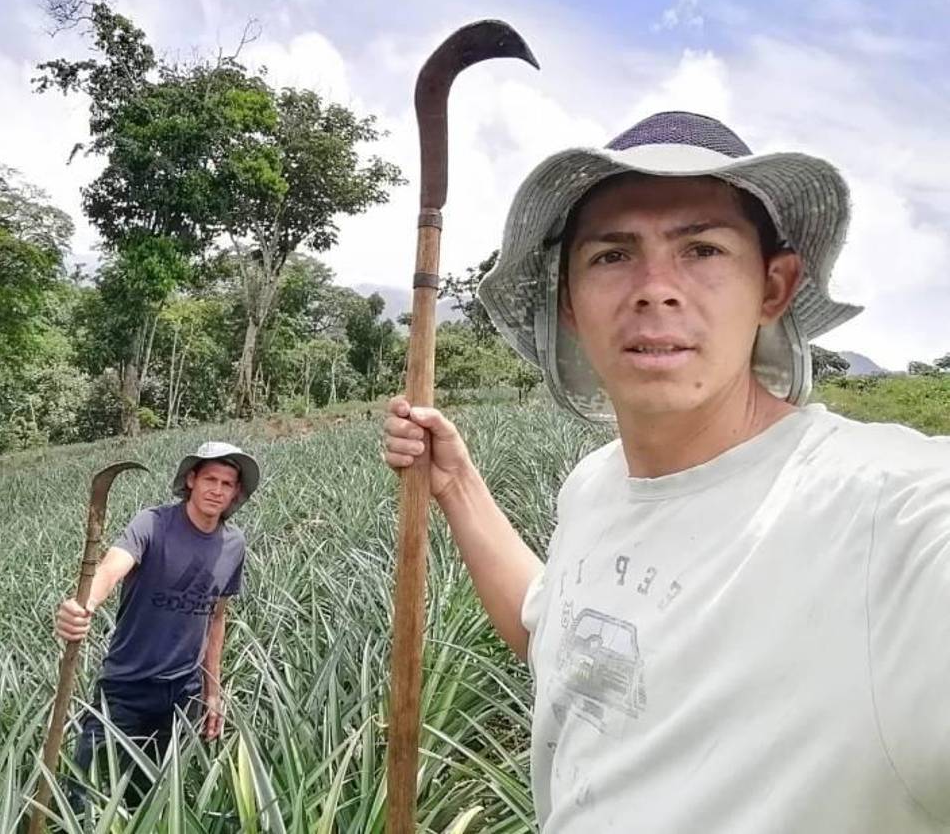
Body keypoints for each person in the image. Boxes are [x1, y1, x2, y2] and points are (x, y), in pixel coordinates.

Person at [382, 111, 950, 832]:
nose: (654, 288)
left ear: (772, 288)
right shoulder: (594, 485)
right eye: (612, 256)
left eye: (702, 250)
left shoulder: (887, 513)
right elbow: (558, 637)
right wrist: (455, 484)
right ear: (570, 305)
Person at [54, 441, 257, 808]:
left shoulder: (233, 544)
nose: (217, 490)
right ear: (191, 480)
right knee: (82, 794)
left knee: (154, 799)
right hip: (126, 687)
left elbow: (217, 618)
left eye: (227, 484)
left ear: (236, 493)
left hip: (183, 693)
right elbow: (113, 566)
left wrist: (213, 691)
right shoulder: (153, 523)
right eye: (210, 479)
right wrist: (83, 605)